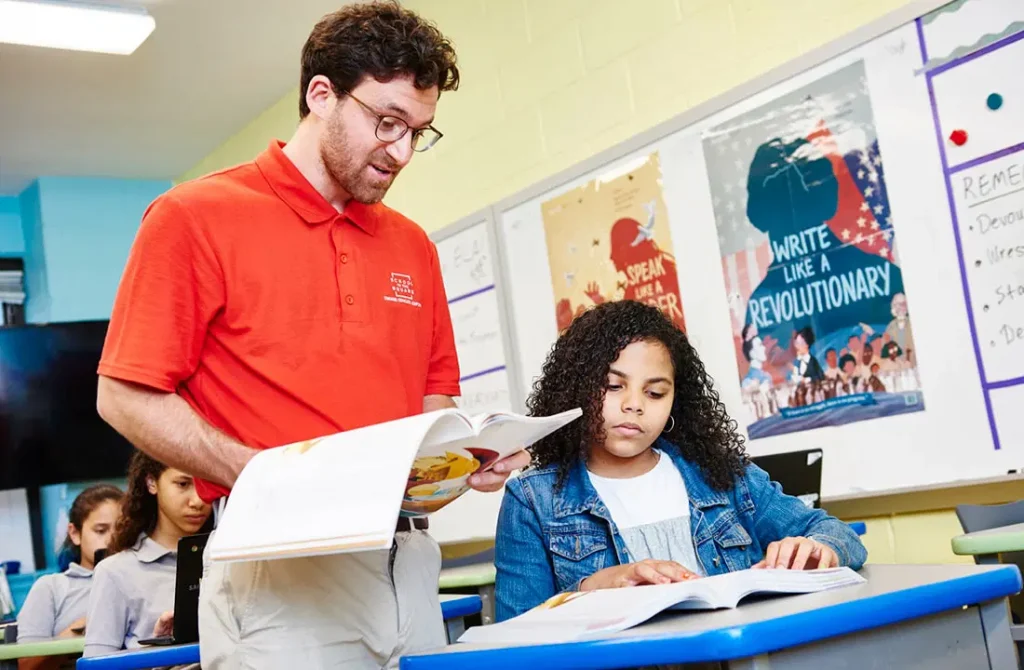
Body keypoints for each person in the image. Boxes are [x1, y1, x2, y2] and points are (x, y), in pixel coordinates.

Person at [93, 2, 528, 667]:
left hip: (407, 560)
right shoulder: (194, 216)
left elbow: (431, 409)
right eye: (387, 122)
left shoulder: (413, 246)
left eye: (420, 131)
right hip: (278, 561)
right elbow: (123, 396)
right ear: (320, 94)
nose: (403, 151)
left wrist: (467, 459)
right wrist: (261, 474)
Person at [493, 301, 867, 621]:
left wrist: (819, 548)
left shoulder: (723, 475)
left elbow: (841, 537)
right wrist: (592, 589)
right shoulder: (532, 500)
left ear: (676, 401)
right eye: (613, 386)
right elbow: (515, 642)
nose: (634, 404)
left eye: (655, 392)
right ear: (576, 388)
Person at [82, 451, 212, 657]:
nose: (197, 500)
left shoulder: (230, 559)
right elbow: (97, 664)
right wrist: (156, 654)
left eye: (207, 484)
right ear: (152, 482)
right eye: (183, 484)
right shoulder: (115, 572)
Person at [16, 485, 122, 648]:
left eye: (122, 530)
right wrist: (87, 625)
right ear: (75, 533)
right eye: (101, 531)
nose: (112, 540)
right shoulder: (51, 588)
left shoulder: (139, 580)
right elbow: (27, 663)